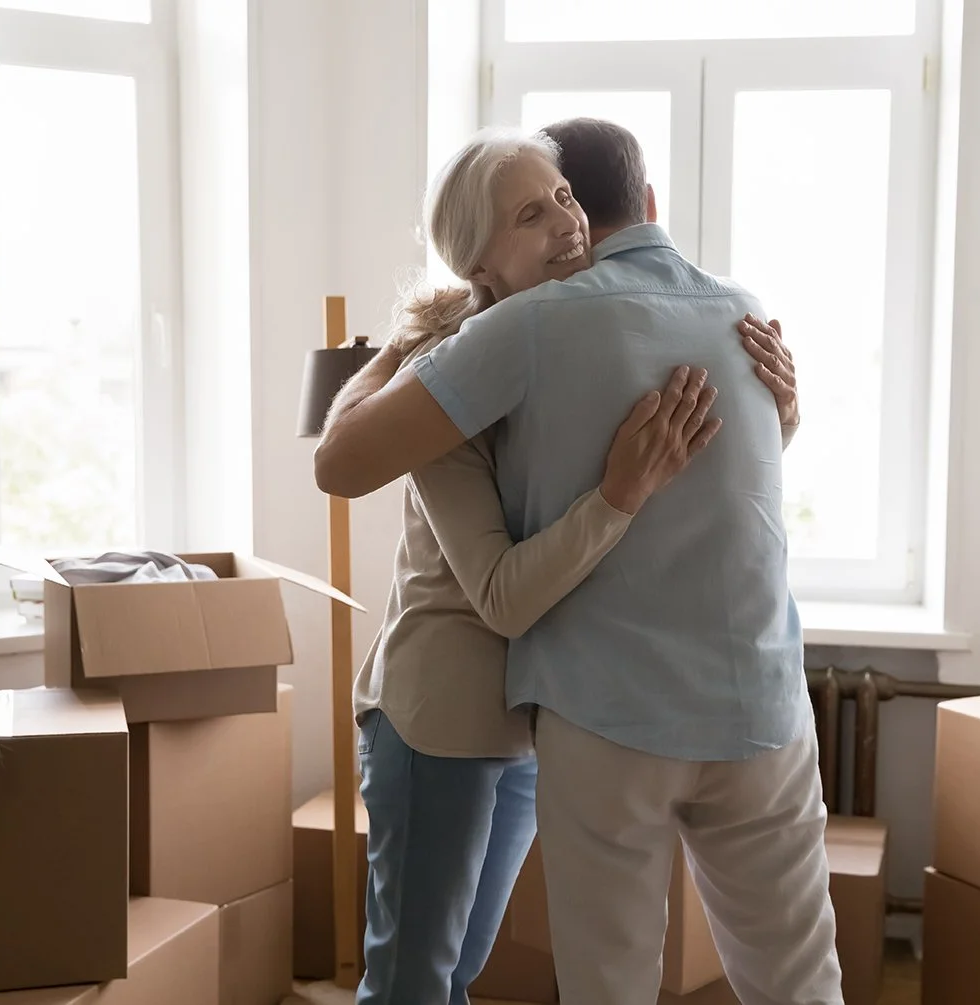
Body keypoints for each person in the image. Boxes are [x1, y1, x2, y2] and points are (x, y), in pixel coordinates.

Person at [315, 117, 838, 1005]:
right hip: (446, 707)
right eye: (529, 215)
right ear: (478, 263)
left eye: (562, 199)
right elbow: (487, 582)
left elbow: (699, 471)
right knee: (413, 980)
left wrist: (777, 416)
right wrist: (396, 356)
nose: (565, 223)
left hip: (525, 717)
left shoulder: (560, 335)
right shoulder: (473, 361)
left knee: (462, 971)